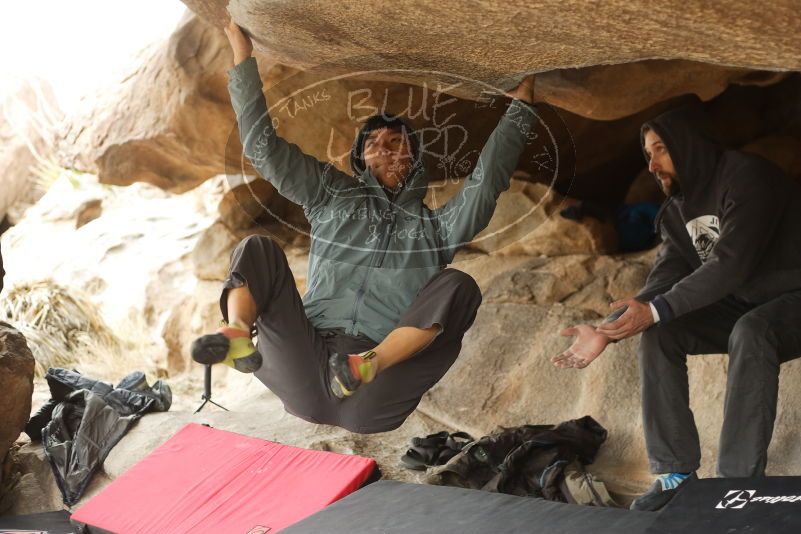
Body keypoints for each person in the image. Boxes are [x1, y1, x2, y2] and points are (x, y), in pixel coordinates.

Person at [191, 20, 539, 434]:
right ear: (359, 162)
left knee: (459, 286)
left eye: (396, 141)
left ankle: (367, 363)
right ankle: (234, 333)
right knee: (257, 248)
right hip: (303, 361)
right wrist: (243, 61)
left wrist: (521, 111)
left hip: (374, 394)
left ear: (416, 159)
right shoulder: (330, 195)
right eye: (372, 144)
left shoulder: (439, 228)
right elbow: (263, 150)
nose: (383, 148)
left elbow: (487, 182)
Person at [552, 104, 801, 511]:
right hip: (747, 304)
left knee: (752, 331)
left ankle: (736, 484)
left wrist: (655, 309)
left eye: (660, 150)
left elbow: (731, 264)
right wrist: (607, 329)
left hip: (794, 295)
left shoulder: (747, 177)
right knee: (660, 333)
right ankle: (676, 475)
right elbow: (660, 284)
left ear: (689, 144)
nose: (652, 165)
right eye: (647, 154)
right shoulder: (676, 210)